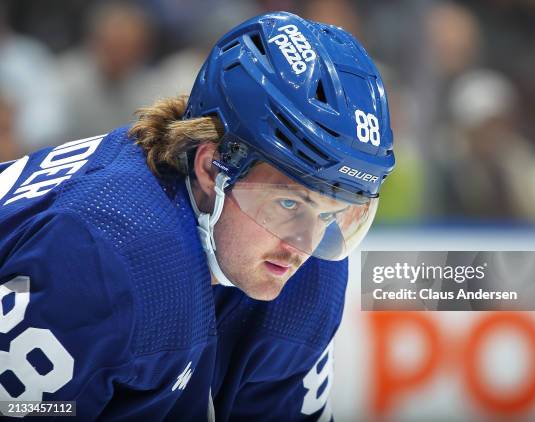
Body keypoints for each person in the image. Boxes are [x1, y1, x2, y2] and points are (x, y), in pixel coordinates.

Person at [0, 11, 394, 421]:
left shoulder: (309, 277)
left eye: (332, 213)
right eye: (289, 204)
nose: (303, 245)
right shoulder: (108, 253)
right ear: (211, 168)